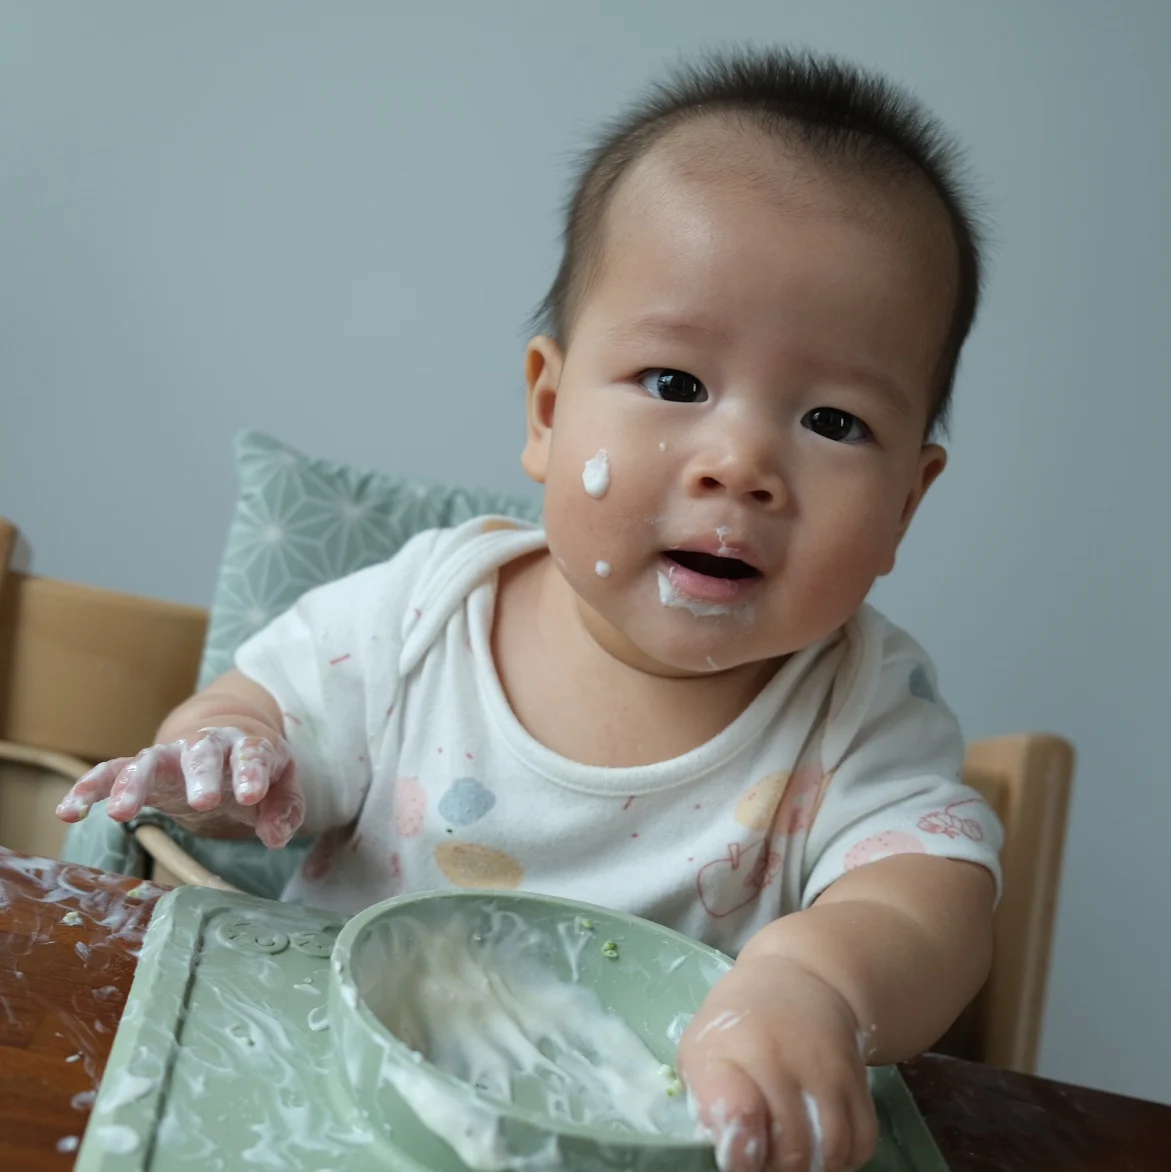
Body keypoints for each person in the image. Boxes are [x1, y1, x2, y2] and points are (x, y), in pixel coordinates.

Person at [57, 48, 1002, 1172]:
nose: (741, 462)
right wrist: (229, 756)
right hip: (342, 1109)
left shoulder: (859, 713)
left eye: (835, 422)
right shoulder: (422, 610)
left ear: (907, 499)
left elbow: (928, 904)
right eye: (676, 383)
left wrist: (817, 981)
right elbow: (265, 713)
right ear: (549, 408)